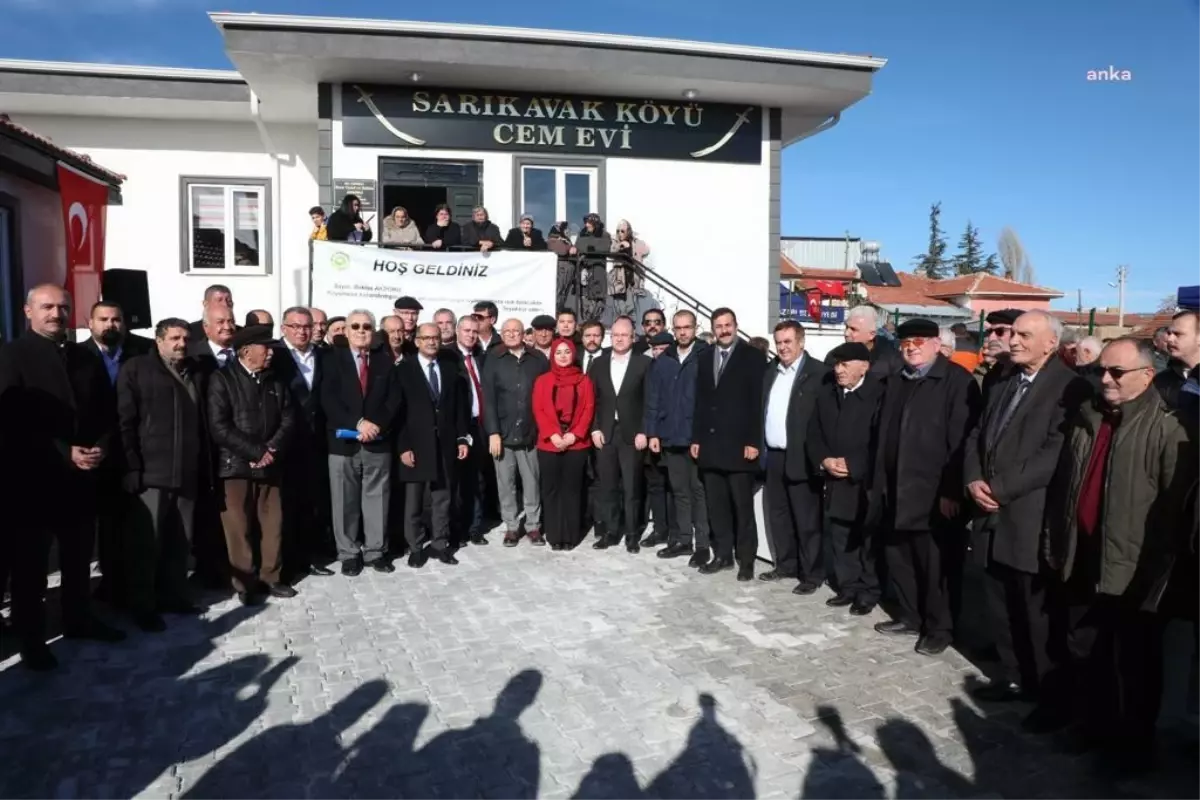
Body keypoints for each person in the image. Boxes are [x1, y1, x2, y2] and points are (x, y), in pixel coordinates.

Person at [1037, 337, 1196, 773]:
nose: (1104, 379)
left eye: (1116, 372)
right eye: (1101, 370)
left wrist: (1156, 577)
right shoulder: (1088, 418)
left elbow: (1173, 513)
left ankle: (1132, 747)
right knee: (1085, 651)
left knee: (1135, 665)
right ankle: (1092, 726)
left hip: (1134, 573)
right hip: (1082, 559)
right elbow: (1068, 490)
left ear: (1146, 376)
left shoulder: (1169, 427)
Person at [964, 311, 1089, 703]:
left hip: (1028, 518)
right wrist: (971, 479)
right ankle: (1013, 676)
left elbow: (1053, 453)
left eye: (1023, 335)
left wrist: (999, 488)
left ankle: (1045, 691)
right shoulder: (1003, 381)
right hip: (989, 514)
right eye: (1012, 333)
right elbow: (978, 434)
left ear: (1051, 343)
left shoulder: (1071, 388)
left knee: (1034, 615)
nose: (1013, 341)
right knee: (999, 607)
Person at [0, 284, 125, 670]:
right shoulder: (11, 355)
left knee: (77, 560)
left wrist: (100, 446)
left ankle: (79, 619)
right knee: (31, 568)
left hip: (81, 481)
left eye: (63, 307)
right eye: (47, 306)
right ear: (28, 311)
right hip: (33, 482)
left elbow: (106, 410)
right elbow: (10, 421)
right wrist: (62, 451)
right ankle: (32, 639)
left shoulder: (82, 357)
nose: (56, 313)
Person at [872, 318, 980, 656]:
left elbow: (963, 441)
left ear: (937, 343)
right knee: (901, 558)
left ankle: (940, 627)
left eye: (919, 341)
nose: (911, 347)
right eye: (905, 342)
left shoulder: (956, 381)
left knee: (937, 566)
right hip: (895, 489)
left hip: (933, 494)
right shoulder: (896, 382)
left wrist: (951, 490)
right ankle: (911, 616)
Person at [117, 317, 207, 631]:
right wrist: (131, 466)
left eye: (185, 338)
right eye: (174, 338)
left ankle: (174, 596)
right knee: (146, 544)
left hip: (187, 471)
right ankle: (142, 605)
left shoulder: (195, 371)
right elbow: (125, 422)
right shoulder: (137, 369)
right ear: (158, 340)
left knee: (180, 541)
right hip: (151, 474)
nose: (181, 344)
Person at [207, 325, 297, 605]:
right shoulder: (222, 379)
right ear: (246, 351)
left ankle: (272, 577)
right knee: (239, 526)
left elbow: (288, 418)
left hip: (270, 464)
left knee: (273, 523)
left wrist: (271, 450)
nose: (270, 353)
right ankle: (245, 583)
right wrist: (255, 451)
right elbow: (219, 426)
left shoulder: (275, 381)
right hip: (235, 466)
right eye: (265, 348)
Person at [320, 310, 403, 575]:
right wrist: (357, 423)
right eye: (354, 325)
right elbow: (328, 399)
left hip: (377, 441)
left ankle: (375, 552)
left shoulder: (383, 359)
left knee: (377, 498)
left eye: (366, 326)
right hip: (344, 442)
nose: (361, 330)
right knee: (344, 501)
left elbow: (394, 398)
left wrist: (376, 424)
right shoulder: (332, 359)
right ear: (345, 330)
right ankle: (349, 553)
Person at [83, 300, 153, 607]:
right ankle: (106, 585)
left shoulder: (140, 353)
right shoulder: (77, 356)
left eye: (116, 319)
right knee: (100, 525)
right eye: (103, 319)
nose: (110, 325)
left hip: (132, 449)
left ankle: (130, 584)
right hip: (93, 452)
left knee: (131, 522)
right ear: (90, 323)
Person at [807, 342, 883, 615]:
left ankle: (867, 590)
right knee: (839, 535)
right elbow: (813, 432)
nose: (838, 370)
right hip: (834, 477)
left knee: (864, 539)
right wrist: (824, 459)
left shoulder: (879, 394)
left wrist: (855, 465)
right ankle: (847, 586)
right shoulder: (828, 393)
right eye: (836, 364)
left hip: (864, 482)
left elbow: (881, 441)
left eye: (845, 364)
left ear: (864, 366)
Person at [691, 308, 767, 579]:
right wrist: (697, 438)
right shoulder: (705, 357)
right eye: (719, 326)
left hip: (740, 447)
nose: (723, 330)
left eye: (728, 325)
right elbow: (700, 402)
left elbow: (758, 403)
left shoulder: (753, 357)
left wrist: (753, 440)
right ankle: (722, 554)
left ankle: (746, 560)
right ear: (713, 329)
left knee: (742, 507)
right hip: (711, 446)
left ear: (736, 326)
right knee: (717, 506)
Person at [759, 320, 830, 593]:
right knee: (779, 514)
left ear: (801, 342)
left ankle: (812, 574)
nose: (782, 347)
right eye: (778, 342)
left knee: (807, 518)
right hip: (774, 455)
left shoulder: (818, 372)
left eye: (788, 342)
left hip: (802, 455)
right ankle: (786, 565)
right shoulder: (771, 372)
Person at [394, 324, 471, 568]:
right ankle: (416, 547)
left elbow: (459, 408)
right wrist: (403, 446)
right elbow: (398, 412)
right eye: (426, 338)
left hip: (446, 443)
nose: (431, 342)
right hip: (415, 446)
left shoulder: (449, 368)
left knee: (442, 498)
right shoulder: (403, 370)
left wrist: (461, 437)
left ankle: (440, 544)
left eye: (435, 338)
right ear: (416, 341)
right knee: (414, 501)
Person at [273, 306, 335, 579]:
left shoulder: (324, 355)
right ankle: (287, 561)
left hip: (317, 441)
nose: (301, 331)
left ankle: (310, 556)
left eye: (306, 327)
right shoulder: (274, 355)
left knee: (313, 502)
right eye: (295, 326)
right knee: (286, 505)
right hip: (286, 442)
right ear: (284, 328)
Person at [646, 310, 711, 565]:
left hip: (695, 437)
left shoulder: (705, 356)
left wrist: (703, 435)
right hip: (670, 435)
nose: (683, 332)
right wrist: (653, 432)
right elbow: (653, 398)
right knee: (679, 490)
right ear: (673, 330)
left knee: (698, 490)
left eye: (687, 327)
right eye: (679, 328)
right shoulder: (665, 359)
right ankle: (684, 540)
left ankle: (703, 544)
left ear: (695, 327)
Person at [482, 318, 550, 546]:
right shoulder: (493, 359)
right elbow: (488, 399)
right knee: (506, 483)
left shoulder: (538, 359)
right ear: (501, 333)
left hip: (531, 432)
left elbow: (545, 396)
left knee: (532, 482)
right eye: (507, 331)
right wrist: (493, 432)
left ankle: (533, 526)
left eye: (516, 331)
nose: (511, 334)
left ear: (524, 334)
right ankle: (511, 526)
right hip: (502, 433)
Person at [589, 316, 652, 553]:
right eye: (616, 334)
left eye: (624, 335)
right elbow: (592, 401)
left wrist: (644, 431)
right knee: (607, 486)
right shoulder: (599, 364)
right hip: (605, 433)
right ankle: (611, 532)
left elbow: (649, 401)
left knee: (632, 487)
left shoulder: (643, 364)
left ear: (633, 338)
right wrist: (594, 428)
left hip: (632, 434)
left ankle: (632, 534)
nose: (619, 338)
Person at [532, 338, 596, 550]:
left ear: (573, 355)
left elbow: (588, 409)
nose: (562, 356)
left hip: (576, 444)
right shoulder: (543, 380)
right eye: (558, 352)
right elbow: (539, 409)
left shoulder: (584, 380)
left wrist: (574, 435)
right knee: (551, 490)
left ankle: (570, 535)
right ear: (552, 355)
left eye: (566, 352)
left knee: (571, 489)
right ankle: (554, 534)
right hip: (550, 443)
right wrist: (553, 435)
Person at [451, 314, 490, 546]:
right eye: (466, 330)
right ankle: (457, 528)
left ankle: (475, 527)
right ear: (457, 331)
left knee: (478, 480)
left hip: (480, 425)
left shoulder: (481, 357)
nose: (471, 335)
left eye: (475, 331)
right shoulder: (449, 357)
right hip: (459, 426)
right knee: (457, 480)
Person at [832, 306, 902, 378]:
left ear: (871, 334)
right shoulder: (834, 356)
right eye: (846, 327)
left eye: (853, 329)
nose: (846, 333)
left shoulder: (892, 359)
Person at [974, 309, 1021, 398]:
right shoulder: (991, 377)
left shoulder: (1027, 377)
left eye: (1000, 331)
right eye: (989, 332)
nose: (991, 338)